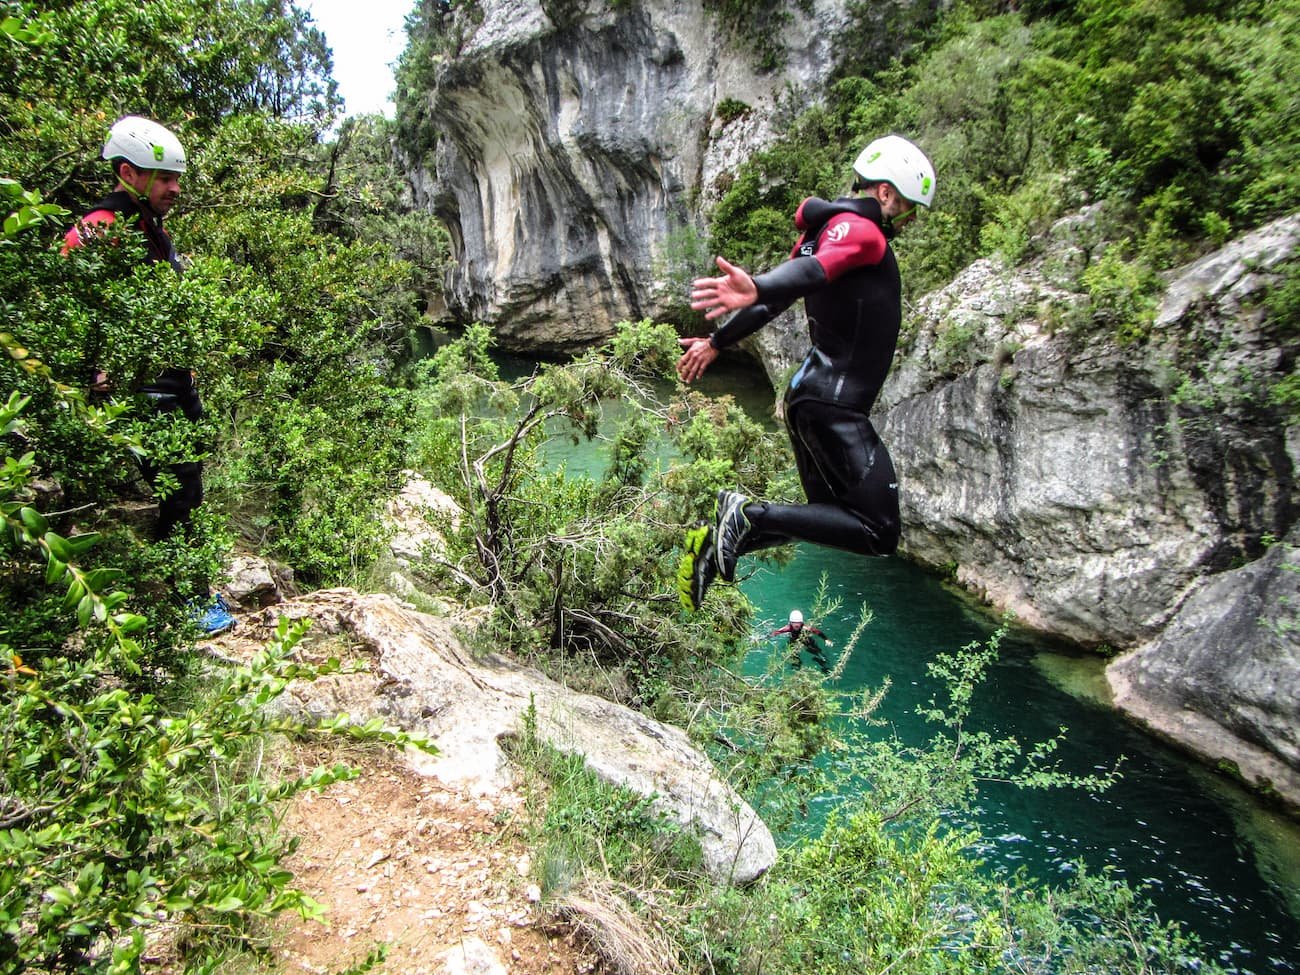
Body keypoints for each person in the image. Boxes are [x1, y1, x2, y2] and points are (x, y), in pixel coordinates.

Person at [676, 135, 935, 612]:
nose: (911, 218)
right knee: (879, 532)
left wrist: (717, 342)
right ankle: (744, 515)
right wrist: (756, 287)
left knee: (826, 516)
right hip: (836, 406)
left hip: (808, 400)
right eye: (909, 207)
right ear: (886, 194)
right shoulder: (865, 233)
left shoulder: (827, 229)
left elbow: (782, 294)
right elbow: (810, 276)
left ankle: (713, 546)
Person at [63, 115, 234, 635]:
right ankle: (187, 599)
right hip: (142, 388)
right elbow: (71, 311)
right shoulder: (99, 231)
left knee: (189, 484)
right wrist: (95, 373)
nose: (175, 188)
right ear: (126, 173)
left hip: (172, 381)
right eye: (163, 177)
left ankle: (187, 583)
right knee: (177, 488)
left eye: (176, 178)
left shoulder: (150, 231)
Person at [769, 609, 834, 673]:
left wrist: (826, 639)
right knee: (792, 654)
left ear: (801, 623)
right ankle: (797, 667)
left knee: (818, 653)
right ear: (791, 623)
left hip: (806, 640)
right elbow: (776, 632)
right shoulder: (788, 628)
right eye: (794, 623)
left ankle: (823, 665)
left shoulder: (806, 628)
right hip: (794, 641)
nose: (796, 625)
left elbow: (817, 632)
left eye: (798, 623)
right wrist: (765, 637)